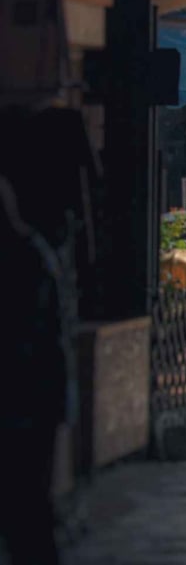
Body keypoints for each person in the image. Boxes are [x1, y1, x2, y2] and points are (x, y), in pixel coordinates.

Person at [0, 176, 69, 565]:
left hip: (26, 399)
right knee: (31, 505)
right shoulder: (35, 255)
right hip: (38, 399)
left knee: (27, 506)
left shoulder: (25, 260)